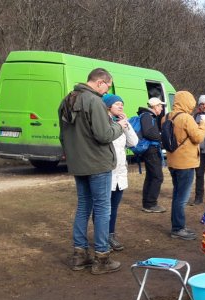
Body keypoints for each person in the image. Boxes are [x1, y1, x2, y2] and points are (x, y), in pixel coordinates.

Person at [58, 68, 124, 274]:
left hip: (79, 164)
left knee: (83, 206)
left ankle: (79, 255)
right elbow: (104, 135)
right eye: (108, 85)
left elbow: (63, 136)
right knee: (103, 209)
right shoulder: (94, 101)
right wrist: (120, 126)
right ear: (100, 82)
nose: (107, 91)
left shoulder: (66, 100)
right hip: (97, 163)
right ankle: (102, 257)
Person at [165, 91, 205, 240]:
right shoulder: (186, 118)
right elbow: (198, 137)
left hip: (172, 161)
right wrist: (203, 125)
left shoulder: (168, 116)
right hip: (185, 163)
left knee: (177, 194)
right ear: (187, 102)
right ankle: (178, 229)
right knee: (181, 198)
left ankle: (178, 226)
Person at [101, 93, 139, 252]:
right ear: (108, 106)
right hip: (105, 171)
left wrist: (127, 125)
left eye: (122, 104)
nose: (121, 106)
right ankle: (101, 239)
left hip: (120, 173)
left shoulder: (121, 123)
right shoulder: (103, 122)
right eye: (117, 104)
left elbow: (134, 142)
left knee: (114, 207)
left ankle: (110, 235)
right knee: (103, 208)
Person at [138, 97, 167, 213]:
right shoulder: (147, 116)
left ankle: (147, 203)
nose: (161, 108)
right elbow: (148, 132)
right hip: (151, 150)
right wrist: (161, 137)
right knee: (157, 177)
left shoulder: (148, 116)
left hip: (151, 149)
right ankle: (151, 204)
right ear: (154, 106)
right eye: (160, 106)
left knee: (151, 176)